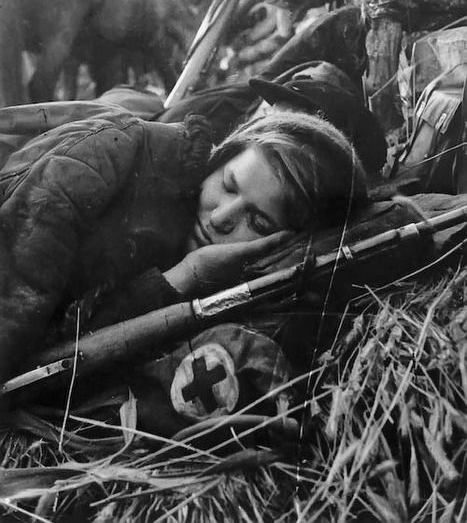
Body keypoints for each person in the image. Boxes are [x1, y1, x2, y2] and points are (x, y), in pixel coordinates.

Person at [0, 108, 368, 385]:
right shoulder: (114, 154)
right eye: (228, 185)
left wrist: (185, 277)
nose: (222, 217)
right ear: (221, 157)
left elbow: (78, 342)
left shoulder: (220, 277)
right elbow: (20, 301)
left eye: (257, 223)